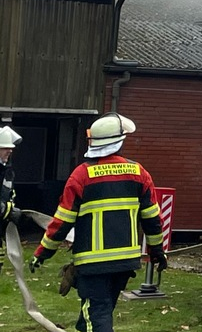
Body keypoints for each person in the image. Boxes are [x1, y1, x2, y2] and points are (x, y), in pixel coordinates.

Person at [30, 113, 166, 332]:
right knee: (96, 315)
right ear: (119, 141)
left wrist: (42, 253)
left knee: (97, 315)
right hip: (124, 263)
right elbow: (153, 219)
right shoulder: (139, 173)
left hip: (93, 265)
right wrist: (157, 251)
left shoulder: (81, 176)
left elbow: (62, 222)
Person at [0, 126, 23, 273]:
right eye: (5, 148)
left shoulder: (6, 171)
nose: (10, 151)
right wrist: (8, 211)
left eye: (11, 148)